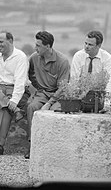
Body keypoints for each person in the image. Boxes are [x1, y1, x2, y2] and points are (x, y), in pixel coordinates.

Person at [25, 30, 70, 159]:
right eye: (35, 45)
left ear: (48, 46)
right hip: (42, 93)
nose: (35, 48)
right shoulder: (34, 57)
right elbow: (30, 73)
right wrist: (38, 86)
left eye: (38, 45)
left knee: (56, 112)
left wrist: (49, 103)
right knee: (31, 107)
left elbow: (63, 88)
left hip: (59, 96)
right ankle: (32, 146)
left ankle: (53, 150)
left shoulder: (62, 61)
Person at [0, 31, 29, 156]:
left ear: (10, 41)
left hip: (13, 89)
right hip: (0, 88)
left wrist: (14, 101)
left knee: (5, 109)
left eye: (1, 42)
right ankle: (15, 110)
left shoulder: (20, 57)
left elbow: (20, 82)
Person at [71, 30, 111, 108]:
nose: (86, 46)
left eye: (90, 44)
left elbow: (110, 80)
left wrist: (107, 101)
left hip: (99, 96)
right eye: (85, 43)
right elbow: (74, 79)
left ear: (99, 46)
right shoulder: (78, 56)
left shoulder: (106, 57)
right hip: (81, 95)